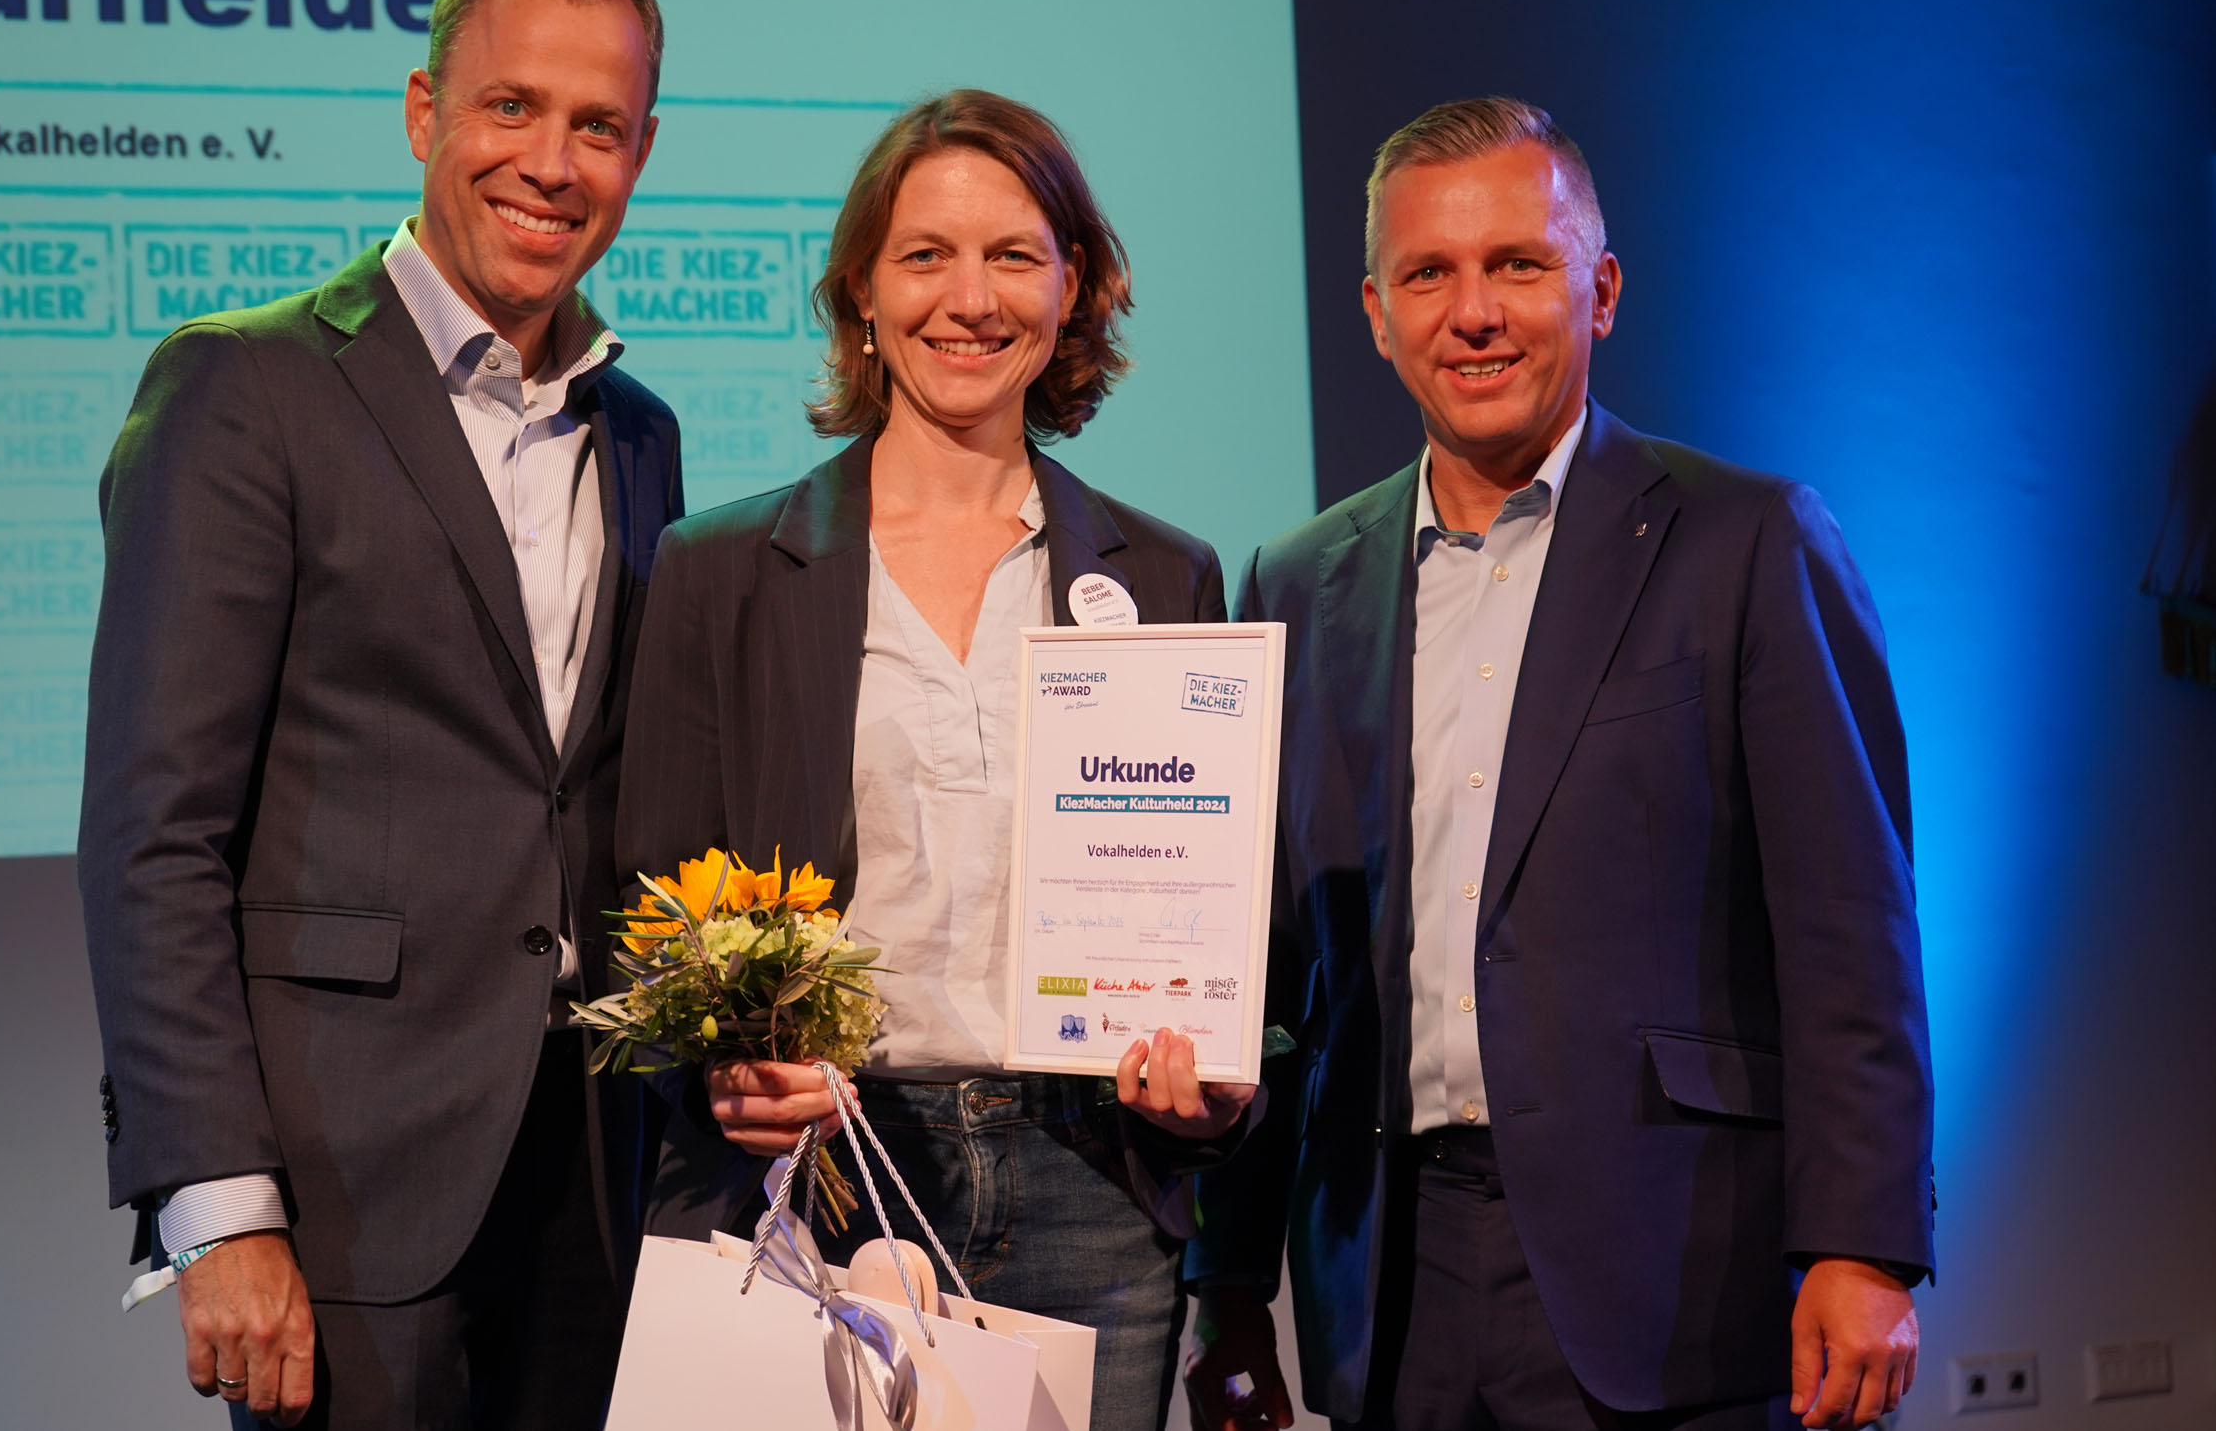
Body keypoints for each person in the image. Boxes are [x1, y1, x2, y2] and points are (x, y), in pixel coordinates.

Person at [1184, 98, 1935, 1431]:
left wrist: (1863, 1243)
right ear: (1376, 314)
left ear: (1602, 291)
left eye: (1518, 265)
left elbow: (1848, 926)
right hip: (1391, 1279)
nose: (1472, 314)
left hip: (1671, 1265)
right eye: (1429, 274)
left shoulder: (1747, 541)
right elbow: (1274, 971)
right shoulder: (1298, 582)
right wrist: (1230, 1280)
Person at [78, 0, 682, 1431]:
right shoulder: (245, 386)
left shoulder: (641, 431)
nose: (552, 164)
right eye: (510, 107)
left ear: (643, 151)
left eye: (598, 125)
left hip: (595, 1186)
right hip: (343, 1194)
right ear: (424, 113)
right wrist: (217, 1204)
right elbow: (156, 833)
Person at [616, 88, 1257, 1431]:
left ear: (1074, 289)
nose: (970, 300)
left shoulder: (1167, 574)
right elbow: (649, 904)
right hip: (820, 1174)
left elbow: (1220, 919)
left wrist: (1212, 1081)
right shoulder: (723, 571)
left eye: (1014, 256)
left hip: (1092, 1185)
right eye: (925, 256)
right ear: (861, 289)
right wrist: (724, 1071)